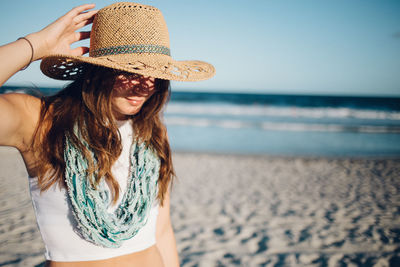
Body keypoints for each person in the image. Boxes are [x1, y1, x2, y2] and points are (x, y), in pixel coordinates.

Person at [0, 2, 215, 267]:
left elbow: (162, 229)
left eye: (155, 74)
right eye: (131, 71)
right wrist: (35, 45)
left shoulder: (153, 132)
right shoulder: (40, 121)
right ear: (97, 70)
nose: (144, 86)